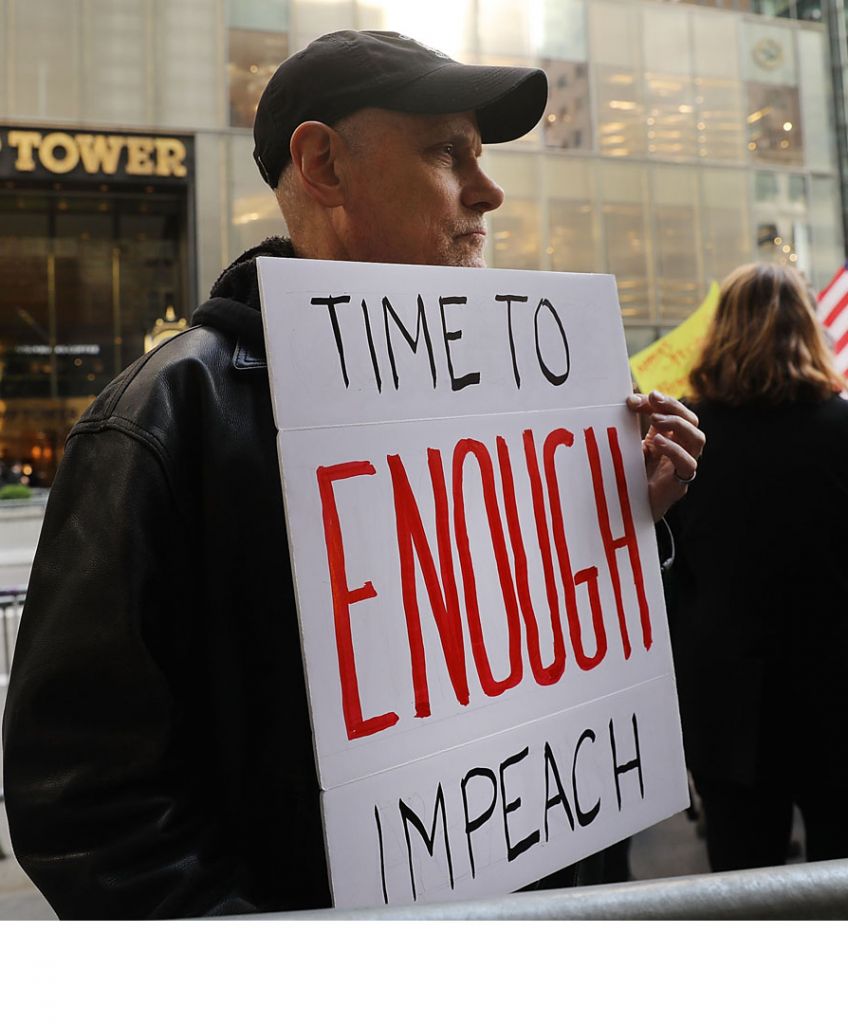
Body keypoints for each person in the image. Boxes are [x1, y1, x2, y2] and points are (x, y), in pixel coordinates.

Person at [2, 30, 704, 918]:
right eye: (449, 153)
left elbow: (530, 681)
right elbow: (89, 804)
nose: (489, 190)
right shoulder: (163, 422)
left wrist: (616, 528)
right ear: (325, 165)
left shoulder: (523, 402)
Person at [666, 261, 848, 872]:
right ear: (809, 330)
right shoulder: (841, 428)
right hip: (835, 693)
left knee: (743, 891)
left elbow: (668, 568)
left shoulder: (684, 435)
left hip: (726, 703)